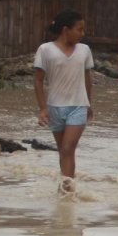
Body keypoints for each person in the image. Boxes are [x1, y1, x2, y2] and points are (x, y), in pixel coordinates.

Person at [33, 10, 94, 195]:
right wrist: (43, 108)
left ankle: (67, 191)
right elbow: (38, 80)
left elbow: (87, 78)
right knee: (63, 151)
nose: (82, 34)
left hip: (78, 106)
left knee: (68, 148)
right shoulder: (45, 50)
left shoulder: (84, 50)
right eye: (79, 29)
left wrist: (89, 104)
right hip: (54, 108)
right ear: (66, 30)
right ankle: (66, 184)